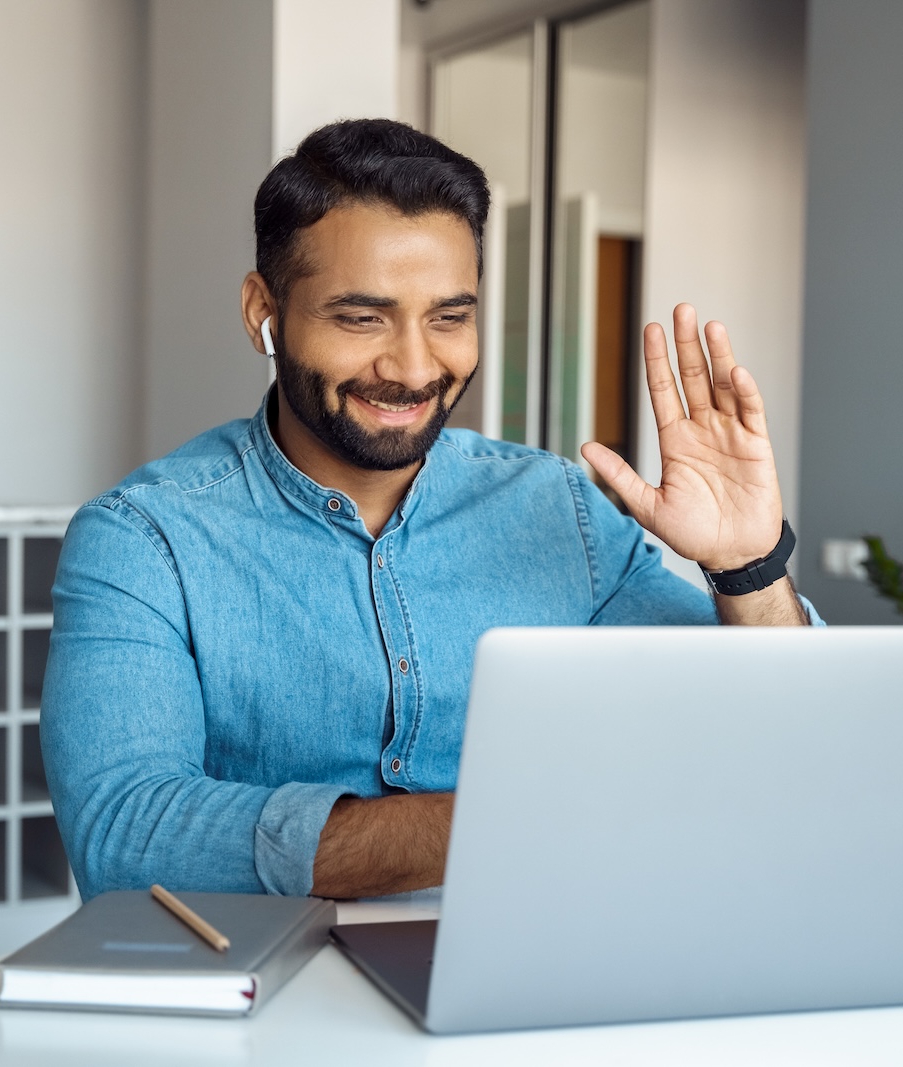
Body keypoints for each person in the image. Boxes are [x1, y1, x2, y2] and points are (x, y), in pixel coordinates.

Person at [41, 119, 820, 903]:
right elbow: (126, 834)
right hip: (261, 1001)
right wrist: (514, 817)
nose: (414, 368)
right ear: (263, 313)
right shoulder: (146, 536)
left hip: (536, 971)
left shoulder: (558, 509)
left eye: (449, 317)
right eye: (360, 317)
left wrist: (747, 566)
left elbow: (783, 741)